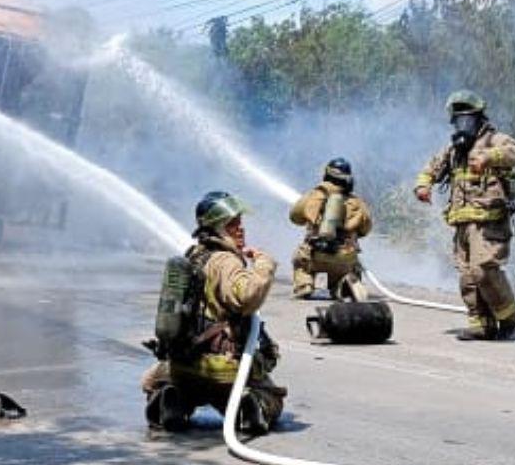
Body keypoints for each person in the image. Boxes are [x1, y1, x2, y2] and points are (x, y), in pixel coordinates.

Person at [141, 191, 287, 435]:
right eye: (232, 225)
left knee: (155, 382)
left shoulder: (194, 256)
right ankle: (250, 406)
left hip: (183, 366)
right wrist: (264, 264)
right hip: (223, 370)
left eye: (240, 223)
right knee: (272, 397)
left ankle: (172, 401)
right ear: (217, 228)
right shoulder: (224, 261)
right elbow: (248, 296)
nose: (240, 229)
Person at [414, 90, 515, 340]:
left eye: (468, 118)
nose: (463, 124)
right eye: (458, 119)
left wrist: (489, 157)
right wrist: (423, 185)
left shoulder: (495, 140)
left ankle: (508, 316)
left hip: (489, 223)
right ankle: (481, 324)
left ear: (479, 117)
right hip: (462, 225)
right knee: (467, 277)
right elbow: (431, 168)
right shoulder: (454, 150)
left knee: (483, 270)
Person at [289, 158, 373, 301]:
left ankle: (304, 284)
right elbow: (365, 229)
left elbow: (295, 218)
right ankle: (342, 286)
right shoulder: (357, 203)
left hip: (316, 254)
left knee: (299, 259)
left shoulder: (314, 196)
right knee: (346, 268)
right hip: (344, 257)